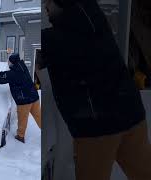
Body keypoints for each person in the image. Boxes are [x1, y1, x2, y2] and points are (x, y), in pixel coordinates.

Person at [40, 0, 151, 180]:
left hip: (97, 128)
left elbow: (39, 56)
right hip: (133, 114)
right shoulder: (94, 18)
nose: (45, 6)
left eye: (48, 2)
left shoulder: (54, 40)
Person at [0, 53, 41, 143]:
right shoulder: (22, 67)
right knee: (39, 116)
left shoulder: (14, 72)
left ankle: (20, 136)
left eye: (9, 61)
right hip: (34, 97)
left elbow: (2, 77)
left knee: (22, 119)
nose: (8, 63)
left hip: (24, 100)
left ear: (13, 62)